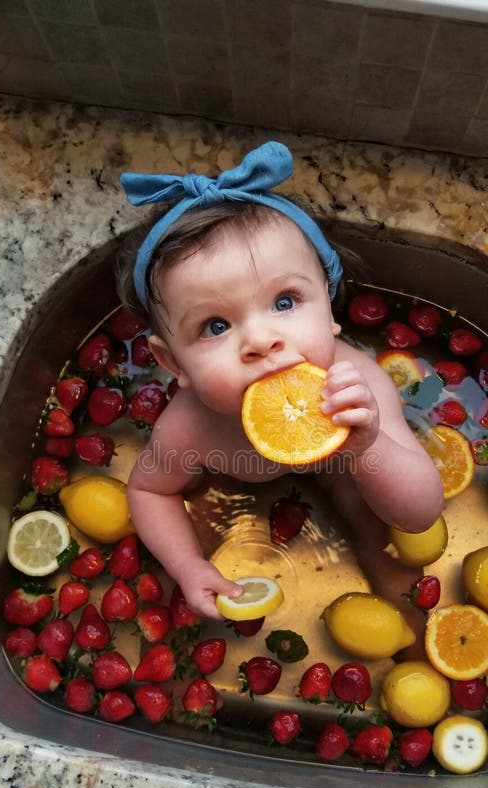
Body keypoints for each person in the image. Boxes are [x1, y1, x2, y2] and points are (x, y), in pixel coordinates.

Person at [120, 142, 444, 619]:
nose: (261, 340)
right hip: (229, 481)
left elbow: (419, 514)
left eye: (286, 302)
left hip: (340, 467)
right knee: (175, 569)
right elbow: (150, 490)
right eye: (216, 326)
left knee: (379, 535)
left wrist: (366, 447)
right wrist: (187, 564)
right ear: (174, 366)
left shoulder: (359, 390)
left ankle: (413, 636)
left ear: (331, 310)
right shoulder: (191, 429)